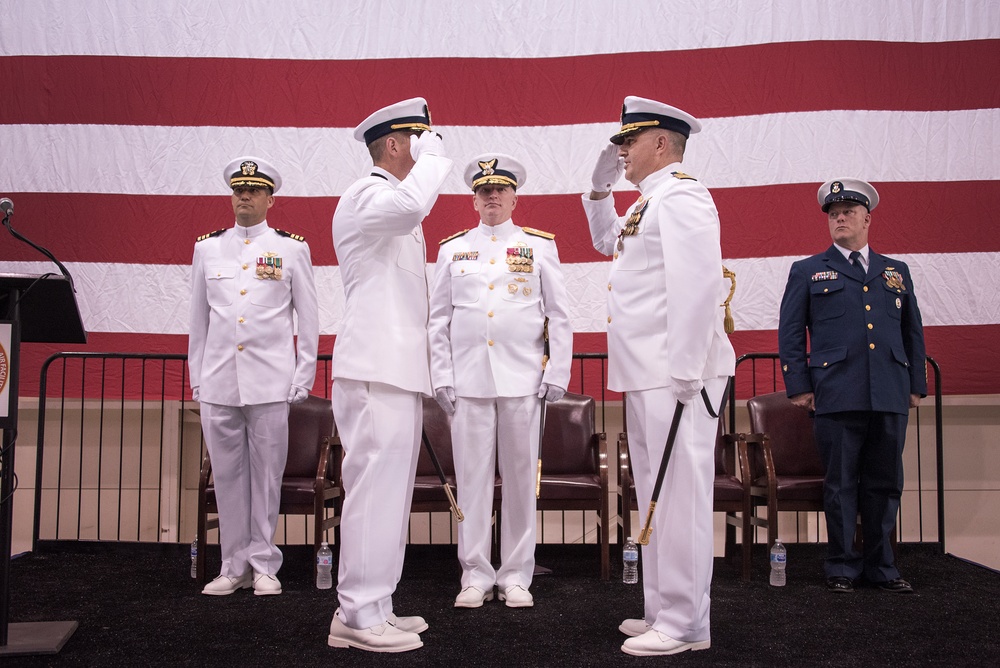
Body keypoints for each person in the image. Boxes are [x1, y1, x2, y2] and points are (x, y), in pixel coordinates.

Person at [581, 96, 735, 657]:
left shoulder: (684, 196)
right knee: (654, 494)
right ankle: (662, 608)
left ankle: (688, 623)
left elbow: (698, 288)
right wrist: (599, 190)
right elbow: (607, 242)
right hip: (650, 372)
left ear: (661, 143)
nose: (621, 150)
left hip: (676, 375)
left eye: (630, 142)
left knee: (680, 497)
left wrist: (688, 372)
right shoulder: (648, 204)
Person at [327, 98, 453, 653]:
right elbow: (409, 208)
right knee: (372, 492)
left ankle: (375, 602)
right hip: (374, 367)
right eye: (418, 139)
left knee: (389, 495)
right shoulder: (368, 196)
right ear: (399, 143)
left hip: (397, 370)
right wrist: (437, 156)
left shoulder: (389, 201)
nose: (426, 146)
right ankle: (356, 611)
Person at [428, 153, 572, 610]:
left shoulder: (539, 245)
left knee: (519, 479)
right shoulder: (452, 249)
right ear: (474, 200)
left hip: (523, 381)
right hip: (468, 382)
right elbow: (438, 320)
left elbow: (559, 315)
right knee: (470, 480)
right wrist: (441, 375)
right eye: (484, 190)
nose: (492, 196)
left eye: (500, 190)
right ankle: (474, 572)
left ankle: (515, 575)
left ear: (514, 197)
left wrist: (557, 371)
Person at [778, 178, 926, 594]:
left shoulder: (896, 271)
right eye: (832, 213)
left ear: (867, 218)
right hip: (836, 390)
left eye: (847, 212)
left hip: (890, 390)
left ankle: (882, 566)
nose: (839, 218)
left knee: (885, 483)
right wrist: (798, 386)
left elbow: (912, 332)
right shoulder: (807, 270)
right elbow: (790, 332)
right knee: (840, 483)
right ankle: (842, 566)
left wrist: (916, 384)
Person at [189, 156, 319, 597]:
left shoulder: (291, 249)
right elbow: (198, 321)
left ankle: (264, 562)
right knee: (226, 477)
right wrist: (198, 377)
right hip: (220, 381)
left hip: (269, 381)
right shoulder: (207, 249)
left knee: (267, 476)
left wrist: (304, 374)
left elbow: (309, 316)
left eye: (254, 190)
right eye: (239, 189)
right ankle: (232, 564)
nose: (244, 196)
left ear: (270, 199)